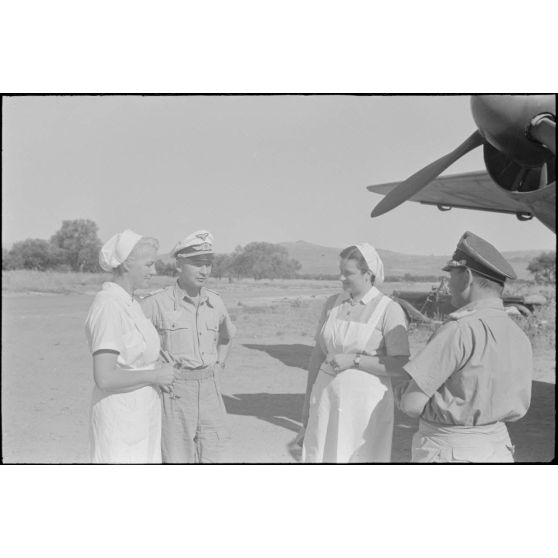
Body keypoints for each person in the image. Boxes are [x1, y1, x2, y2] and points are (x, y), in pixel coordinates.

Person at [396, 231, 533, 463]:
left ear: (467, 276)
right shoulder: (518, 334)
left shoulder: (458, 330)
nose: (449, 283)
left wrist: (398, 387)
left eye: (451, 274)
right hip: (499, 448)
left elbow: (411, 405)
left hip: (451, 450)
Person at [301, 243, 410, 463]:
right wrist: (307, 401)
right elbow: (318, 355)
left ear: (368, 274)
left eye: (347, 273)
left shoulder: (389, 310)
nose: (341, 278)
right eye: (340, 272)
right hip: (325, 400)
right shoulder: (333, 304)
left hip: (364, 406)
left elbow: (400, 365)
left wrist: (354, 360)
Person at [141, 230, 236, 463]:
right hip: (175, 391)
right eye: (196, 264)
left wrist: (219, 364)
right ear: (179, 265)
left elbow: (227, 336)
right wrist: (154, 370)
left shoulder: (216, 301)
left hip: (210, 388)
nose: (204, 271)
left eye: (208, 264)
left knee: (218, 454)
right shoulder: (156, 303)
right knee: (176, 456)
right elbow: (133, 345)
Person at [85, 230, 178, 463]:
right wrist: (155, 375)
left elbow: (133, 358)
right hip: (120, 417)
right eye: (149, 264)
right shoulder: (108, 306)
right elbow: (104, 378)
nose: (154, 271)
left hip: (141, 414)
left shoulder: (131, 303)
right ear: (127, 264)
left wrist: (157, 367)